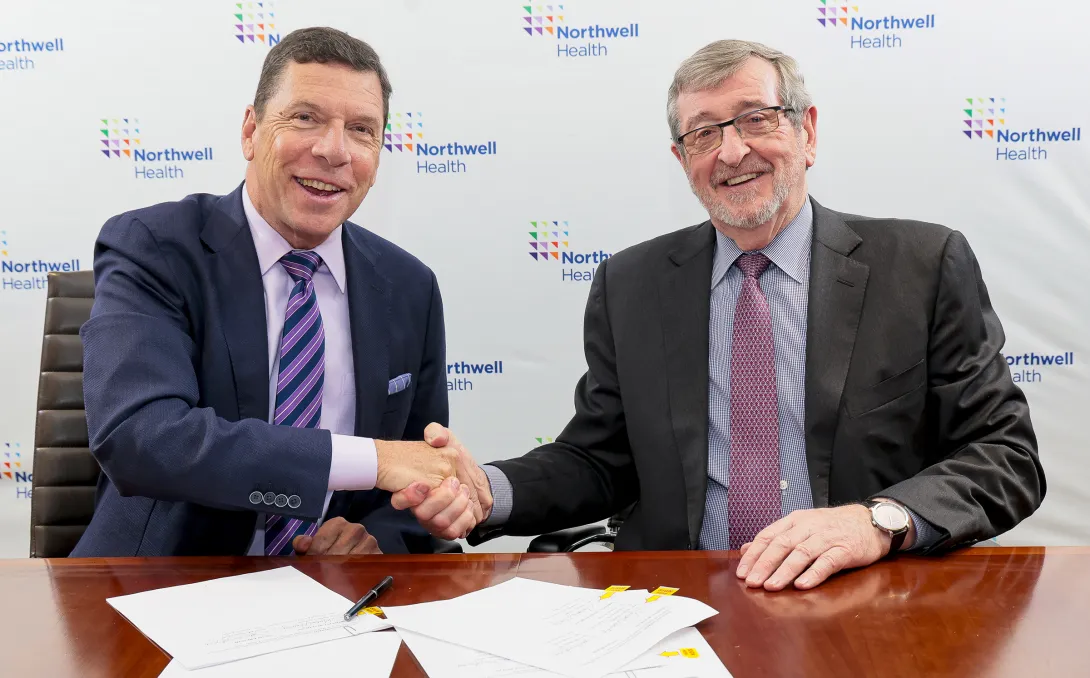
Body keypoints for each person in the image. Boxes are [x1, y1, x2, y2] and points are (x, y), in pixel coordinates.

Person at [396, 39, 1045, 589]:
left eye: (756, 119)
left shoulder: (921, 266)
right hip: (672, 606)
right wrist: (486, 488)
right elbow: (600, 460)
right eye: (704, 132)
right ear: (682, 160)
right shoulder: (631, 283)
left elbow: (1006, 456)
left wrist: (876, 522)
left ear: (807, 131)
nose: (731, 152)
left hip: (861, 594)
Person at [71, 27, 463, 558]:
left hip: (328, 602)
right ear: (251, 131)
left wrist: (378, 537)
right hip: (159, 586)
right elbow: (143, 437)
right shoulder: (155, 247)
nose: (333, 150)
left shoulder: (409, 286)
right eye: (305, 118)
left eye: (362, 130)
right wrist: (371, 460)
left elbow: (415, 478)